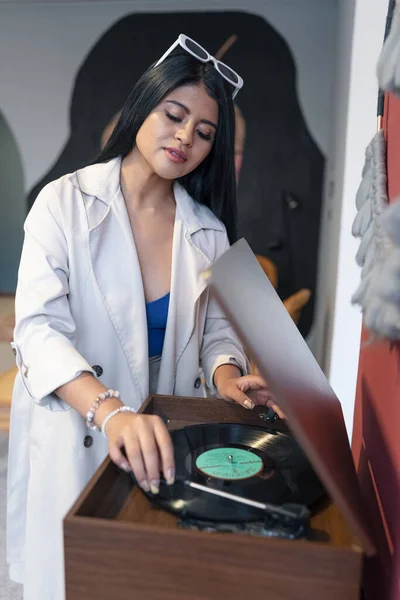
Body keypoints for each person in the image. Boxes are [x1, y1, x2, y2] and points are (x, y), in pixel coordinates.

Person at [7, 34, 274, 600]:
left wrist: (230, 379)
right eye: (174, 115)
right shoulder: (64, 203)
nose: (185, 137)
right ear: (141, 107)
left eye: (205, 133)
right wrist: (111, 413)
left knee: (148, 578)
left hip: (165, 441)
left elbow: (218, 338)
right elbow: (36, 331)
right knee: (75, 581)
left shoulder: (209, 230)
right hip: (83, 434)